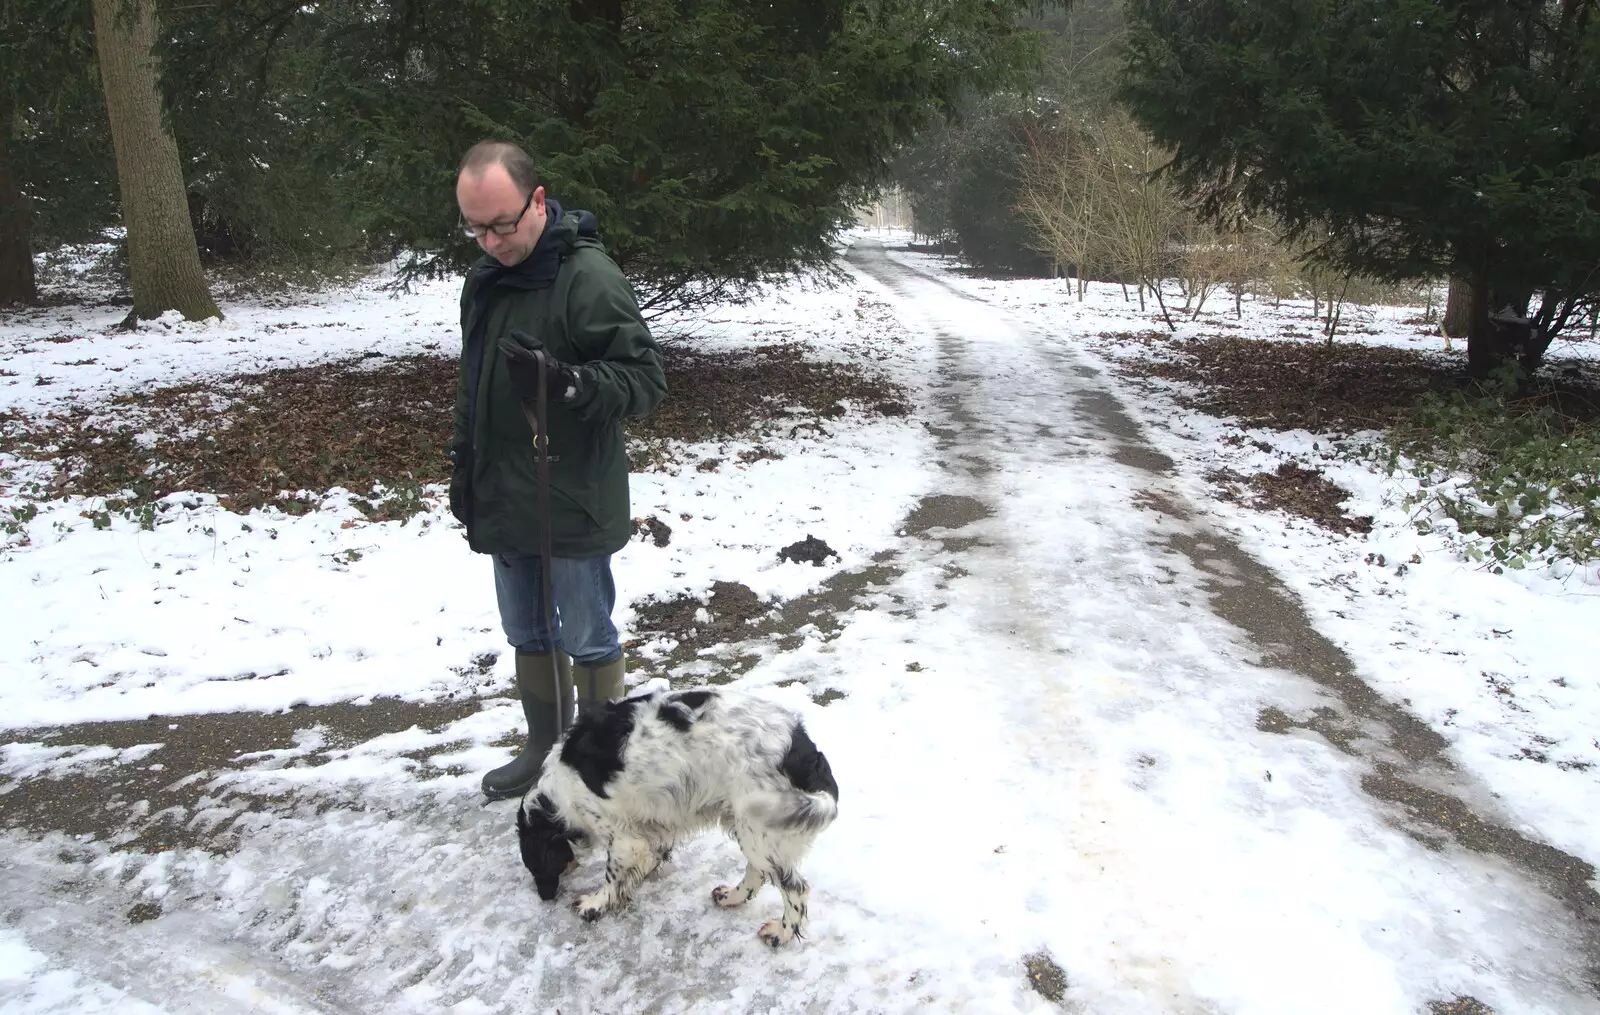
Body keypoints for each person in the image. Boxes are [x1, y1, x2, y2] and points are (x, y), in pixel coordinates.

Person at [449, 140, 667, 801]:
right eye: (474, 227)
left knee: (588, 631)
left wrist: (572, 383)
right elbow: (474, 386)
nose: (488, 241)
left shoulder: (588, 278)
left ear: (537, 202)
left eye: (501, 224)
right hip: (505, 494)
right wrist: (467, 472)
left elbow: (644, 379)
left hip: (570, 497)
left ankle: (600, 763)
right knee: (527, 631)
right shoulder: (484, 282)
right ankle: (545, 750)